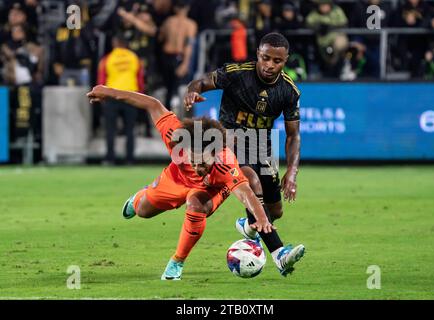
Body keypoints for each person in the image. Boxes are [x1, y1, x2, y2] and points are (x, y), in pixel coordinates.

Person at [87, 85, 306, 280]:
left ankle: (176, 262)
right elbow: (152, 104)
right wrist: (110, 92)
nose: (198, 167)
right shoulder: (176, 136)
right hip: (174, 181)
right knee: (143, 211)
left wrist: (261, 219)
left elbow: (245, 192)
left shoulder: (225, 163)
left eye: (203, 163)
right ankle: (138, 198)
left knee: (196, 205)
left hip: (211, 190)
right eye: (193, 161)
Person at [184, 32, 301, 242]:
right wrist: (192, 91)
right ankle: (278, 252)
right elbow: (200, 82)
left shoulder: (289, 91)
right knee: (252, 181)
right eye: (265, 58)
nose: (270, 65)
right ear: (258, 54)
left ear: (285, 60)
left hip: (262, 147)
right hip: (231, 140)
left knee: (275, 211)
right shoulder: (236, 74)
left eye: (277, 61)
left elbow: (293, 136)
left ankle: (248, 227)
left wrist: (291, 172)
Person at [97, 34, 145, 165]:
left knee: (110, 129)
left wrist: (101, 97)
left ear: (114, 43)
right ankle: (130, 159)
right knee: (130, 129)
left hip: (112, 97)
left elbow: (101, 80)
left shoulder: (107, 59)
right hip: (130, 95)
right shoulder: (134, 58)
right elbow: (140, 80)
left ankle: (109, 158)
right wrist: (140, 96)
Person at [158, 0, 197, 108]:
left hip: (166, 56)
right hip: (178, 57)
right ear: (187, 9)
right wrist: (185, 63)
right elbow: (189, 46)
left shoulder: (168, 21)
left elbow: (161, 38)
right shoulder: (190, 24)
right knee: (176, 89)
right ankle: (173, 115)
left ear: (175, 9)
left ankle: (169, 114)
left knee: (170, 89)